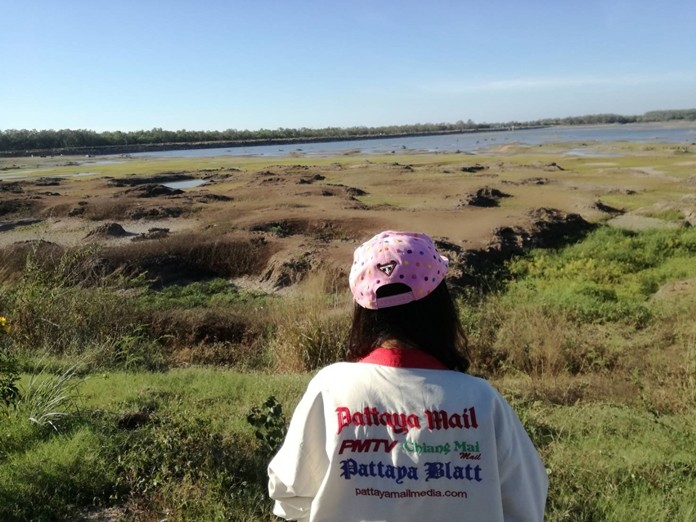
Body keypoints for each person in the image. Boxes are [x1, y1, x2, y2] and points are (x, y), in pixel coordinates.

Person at [268, 230, 548, 521]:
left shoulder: (331, 389)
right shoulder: (483, 400)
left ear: (362, 311)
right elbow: (526, 504)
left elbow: (289, 493)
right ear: (440, 305)